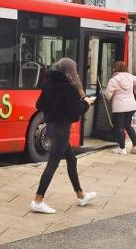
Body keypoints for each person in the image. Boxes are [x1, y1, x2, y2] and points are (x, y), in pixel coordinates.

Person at [30, 58, 99, 214]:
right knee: (52, 164)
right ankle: (38, 200)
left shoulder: (49, 84)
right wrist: (87, 103)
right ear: (71, 71)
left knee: (71, 159)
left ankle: (81, 195)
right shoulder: (69, 88)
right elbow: (75, 111)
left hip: (51, 126)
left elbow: (39, 105)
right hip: (62, 129)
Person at [103, 60, 136, 154]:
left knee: (120, 127)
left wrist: (111, 97)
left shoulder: (114, 79)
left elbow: (108, 95)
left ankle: (122, 148)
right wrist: (134, 90)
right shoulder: (131, 77)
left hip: (119, 107)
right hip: (131, 106)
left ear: (115, 68)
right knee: (128, 125)